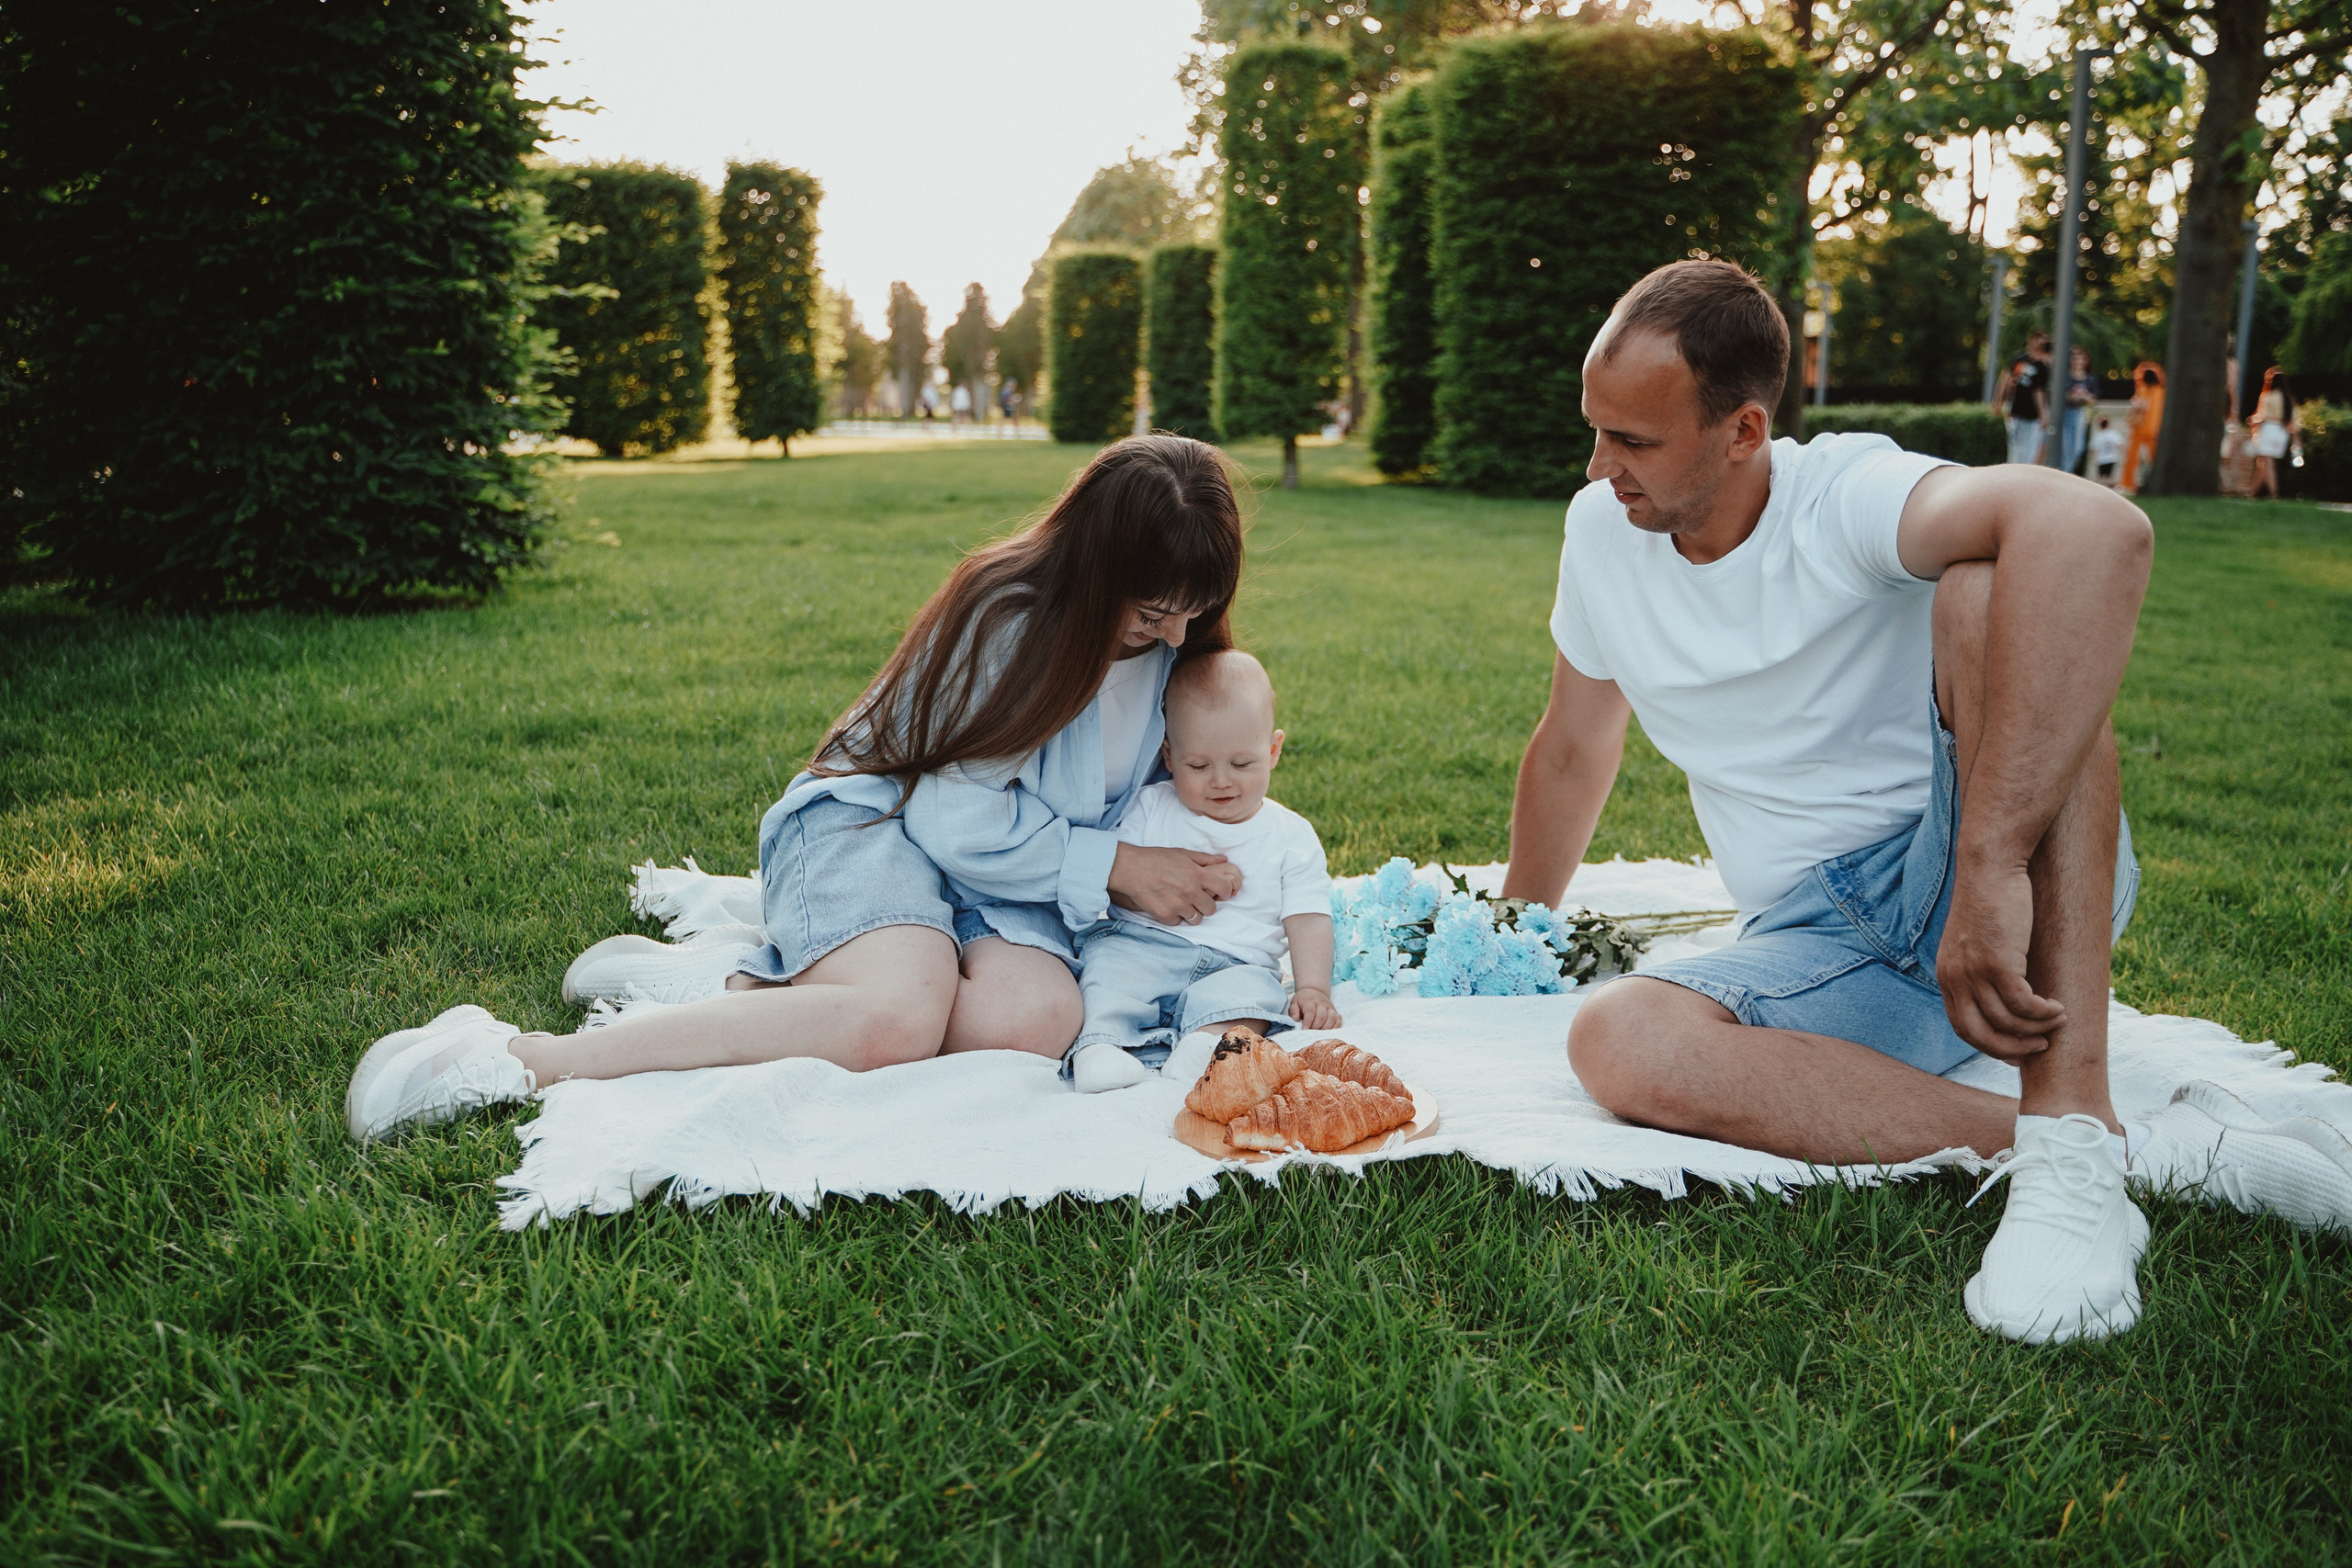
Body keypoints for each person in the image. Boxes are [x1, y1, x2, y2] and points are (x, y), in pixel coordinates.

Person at [1505, 259, 2352, 1344]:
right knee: (1622, 1039)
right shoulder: (1598, 533)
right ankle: (2127, 1148)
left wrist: (1990, 864)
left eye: (1633, 441)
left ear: (1743, 431)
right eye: (1596, 429)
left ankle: (2072, 1127)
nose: (1598, 466)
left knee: (1996, 586)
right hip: (1825, 936)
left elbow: (2100, 532)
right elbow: (1574, 745)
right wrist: (1515, 929)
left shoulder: (1843, 495)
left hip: (1974, 870)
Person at [346, 435, 1251, 1142]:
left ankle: (736, 984)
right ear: (1098, 574)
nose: (1172, 639)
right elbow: (951, 812)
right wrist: (1117, 864)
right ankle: (520, 1057)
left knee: (1033, 1020)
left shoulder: (1168, 650)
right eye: (1149, 615)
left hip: (999, 877)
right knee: (894, 1023)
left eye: (1192, 614)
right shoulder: (1009, 618)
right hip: (878, 822)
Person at [1066, 650, 1340, 1094]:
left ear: (1272, 751)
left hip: (1239, 961)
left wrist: (1313, 988)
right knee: (1108, 973)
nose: (1221, 781)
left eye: (1242, 764)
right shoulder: (1150, 807)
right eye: (1199, 765)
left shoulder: (1291, 834)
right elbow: (1117, 889)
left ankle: (1206, 1045)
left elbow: (1308, 917)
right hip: (1143, 944)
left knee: (1256, 997)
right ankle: (1101, 1047)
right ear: (1169, 756)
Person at [1994, 333, 2049, 466]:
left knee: (2029, 447)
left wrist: (2042, 413)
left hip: (2032, 413)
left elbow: (2039, 391)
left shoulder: (2042, 366)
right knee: (2015, 444)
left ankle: (2023, 471)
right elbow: (2005, 380)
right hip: (2015, 408)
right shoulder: (2019, 360)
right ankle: (2013, 468)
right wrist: (1998, 401)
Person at [2247, 367, 2296, 500]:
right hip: (2282, 432)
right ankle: (2252, 492)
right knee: (2262, 463)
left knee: (2267, 463)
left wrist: (2252, 421)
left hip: (2269, 430)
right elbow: (2293, 421)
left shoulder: (2268, 396)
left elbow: (2262, 416)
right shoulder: (2288, 398)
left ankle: (2274, 492)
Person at [2120, 363, 2164, 495]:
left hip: (2140, 428)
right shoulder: (2161, 391)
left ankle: (2128, 483)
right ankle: (2157, 481)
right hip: (2155, 430)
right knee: (2154, 459)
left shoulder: (2142, 389)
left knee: (2132, 458)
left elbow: (2141, 405)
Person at [2061, 345, 2098, 475]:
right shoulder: (2065, 377)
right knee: (2065, 447)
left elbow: (2094, 398)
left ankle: (2069, 472)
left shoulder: (2090, 379)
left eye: (2082, 358)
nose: (2078, 361)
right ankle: (2064, 473)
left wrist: (2085, 396)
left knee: (2078, 448)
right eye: (2075, 358)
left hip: (2080, 414)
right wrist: (2070, 395)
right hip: (2065, 414)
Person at [2089, 416, 2125, 488]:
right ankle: (2110, 488)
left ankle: (2101, 488)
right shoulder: (2113, 434)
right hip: (2111, 458)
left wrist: (2093, 458)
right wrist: (2124, 454)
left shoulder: (2098, 436)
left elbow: (2093, 448)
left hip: (2101, 459)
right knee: (2109, 476)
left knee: (2100, 477)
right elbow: (2119, 445)